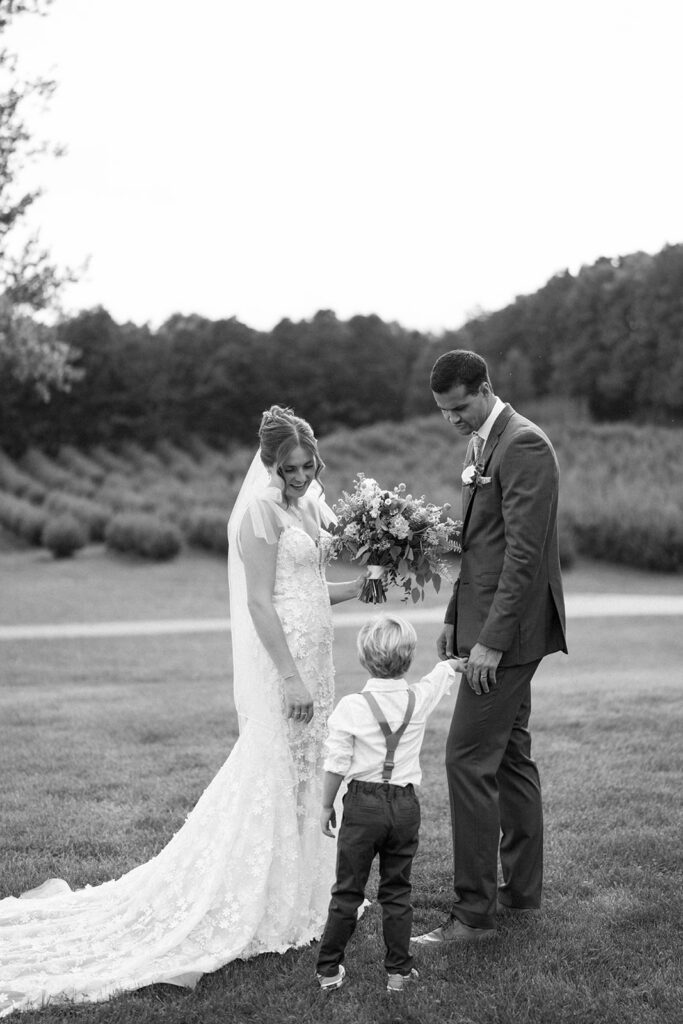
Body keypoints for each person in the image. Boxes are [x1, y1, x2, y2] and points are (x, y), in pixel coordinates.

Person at [0, 405, 365, 1018]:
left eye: (308, 465)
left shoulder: (308, 506)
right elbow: (259, 604)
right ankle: (254, 896)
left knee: (309, 773)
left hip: (321, 661)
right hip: (292, 668)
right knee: (276, 770)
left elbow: (304, 589)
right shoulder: (258, 513)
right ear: (269, 465)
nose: (301, 476)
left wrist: (362, 587)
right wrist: (290, 678)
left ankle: (305, 893)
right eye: (289, 468)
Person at [412, 350, 567, 947]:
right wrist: (455, 618)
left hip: (511, 634)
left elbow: (525, 558)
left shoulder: (524, 445)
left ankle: (473, 915)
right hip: (481, 620)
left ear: (485, 388)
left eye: (459, 407)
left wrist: (492, 644)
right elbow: (480, 548)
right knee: (509, 758)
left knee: (466, 759)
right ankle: (521, 895)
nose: (452, 419)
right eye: (443, 411)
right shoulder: (481, 442)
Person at [314, 616, 467, 993]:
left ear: (364, 659)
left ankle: (329, 971)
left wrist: (325, 805)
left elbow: (336, 763)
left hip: (363, 806)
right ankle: (398, 973)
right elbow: (439, 677)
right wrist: (453, 664)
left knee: (348, 890)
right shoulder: (417, 698)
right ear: (409, 658)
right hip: (404, 807)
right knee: (397, 889)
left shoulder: (352, 706)